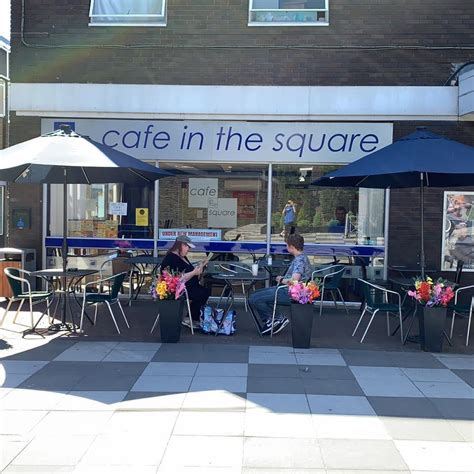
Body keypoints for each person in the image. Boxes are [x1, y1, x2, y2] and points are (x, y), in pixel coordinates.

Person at [248, 233, 312, 335]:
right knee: (254, 295)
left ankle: (277, 318)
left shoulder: (299, 260)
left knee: (255, 299)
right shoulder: (302, 257)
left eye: (286, 245)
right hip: (286, 290)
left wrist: (281, 279)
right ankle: (272, 319)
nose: (286, 247)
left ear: (291, 247)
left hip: (289, 293)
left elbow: (294, 281)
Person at [160, 235, 211, 329]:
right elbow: (177, 278)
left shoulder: (182, 257)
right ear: (181, 245)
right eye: (187, 246)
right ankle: (191, 318)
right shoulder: (171, 259)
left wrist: (199, 269)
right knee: (201, 293)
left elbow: (189, 271)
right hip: (179, 289)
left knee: (205, 290)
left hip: (189, 285)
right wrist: (194, 272)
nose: (188, 249)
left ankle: (192, 317)